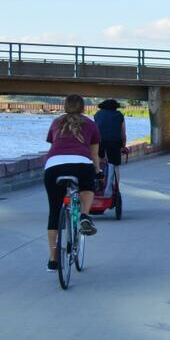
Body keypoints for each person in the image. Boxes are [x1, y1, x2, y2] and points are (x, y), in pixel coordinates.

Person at [44, 94, 102, 271]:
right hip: (81, 164)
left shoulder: (56, 123)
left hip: (54, 166)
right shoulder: (91, 124)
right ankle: (84, 215)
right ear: (83, 107)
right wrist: (98, 172)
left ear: (65, 106)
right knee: (87, 187)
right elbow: (94, 155)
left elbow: (53, 145)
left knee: (54, 211)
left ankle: (53, 260)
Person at [94, 98, 127, 180]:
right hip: (115, 142)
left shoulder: (97, 114)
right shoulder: (119, 115)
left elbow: (95, 130)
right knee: (116, 166)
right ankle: (116, 189)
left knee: (99, 162)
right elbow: (123, 133)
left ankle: (99, 184)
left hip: (100, 142)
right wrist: (123, 146)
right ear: (115, 107)